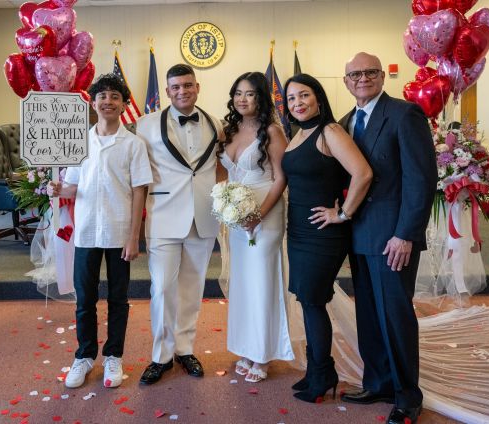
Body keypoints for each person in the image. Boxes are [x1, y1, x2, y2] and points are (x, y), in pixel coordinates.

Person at [338, 52, 437, 424]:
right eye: (355, 74)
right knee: (368, 314)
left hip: (393, 238)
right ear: (346, 82)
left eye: (370, 72)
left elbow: (421, 178)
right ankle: (377, 381)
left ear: (382, 75)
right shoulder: (346, 122)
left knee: (395, 316)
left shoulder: (404, 113)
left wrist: (405, 234)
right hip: (359, 235)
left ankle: (407, 395)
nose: (362, 79)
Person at [49, 73, 153, 389]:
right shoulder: (81, 142)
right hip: (86, 234)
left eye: (114, 96)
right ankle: (84, 355)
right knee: (85, 299)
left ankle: (114, 356)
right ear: (94, 103)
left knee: (118, 299)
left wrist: (134, 235)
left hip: (119, 233)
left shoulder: (133, 144)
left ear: (123, 105)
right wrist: (58, 188)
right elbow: (74, 186)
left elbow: (139, 190)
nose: (107, 101)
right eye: (102, 96)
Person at [281, 73, 372, 403]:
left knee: (314, 301)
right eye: (291, 99)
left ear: (318, 97)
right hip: (299, 231)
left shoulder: (330, 131)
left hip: (324, 234)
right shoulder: (297, 134)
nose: (298, 103)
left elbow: (363, 173)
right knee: (307, 299)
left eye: (304, 95)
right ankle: (317, 370)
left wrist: (343, 213)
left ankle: (323, 374)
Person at [136, 64, 224, 385]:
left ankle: (185, 349)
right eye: (176, 87)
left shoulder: (217, 124)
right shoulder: (144, 126)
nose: (182, 91)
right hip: (163, 216)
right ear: (168, 91)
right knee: (161, 288)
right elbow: (134, 172)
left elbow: (221, 166)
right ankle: (161, 355)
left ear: (197, 87)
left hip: (202, 217)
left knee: (192, 289)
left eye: (188, 85)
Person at [217, 72, 294, 383]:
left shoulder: (273, 132)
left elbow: (281, 178)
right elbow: (224, 174)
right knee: (244, 284)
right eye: (237, 93)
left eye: (249, 93)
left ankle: (263, 354)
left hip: (267, 214)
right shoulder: (228, 131)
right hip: (238, 218)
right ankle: (247, 348)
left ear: (261, 98)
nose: (242, 99)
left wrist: (259, 215)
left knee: (264, 282)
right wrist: (225, 203)